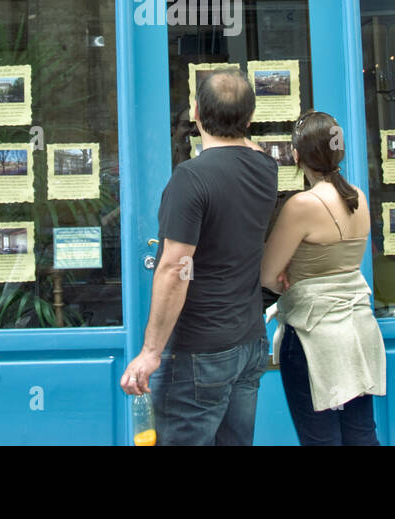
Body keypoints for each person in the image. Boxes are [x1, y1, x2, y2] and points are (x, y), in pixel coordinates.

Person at [119, 70, 277, 445]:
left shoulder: (192, 178)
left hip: (200, 353)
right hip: (249, 343)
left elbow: (175, 268)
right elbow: (245, 144)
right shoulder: (266, 167)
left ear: (195, 113)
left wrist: (150, 352)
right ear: (251, 119)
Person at [261, 110, 386, 445]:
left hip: (312, 335)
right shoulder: (357, 196)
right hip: (358, 330)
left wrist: (285, 276)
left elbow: (268, 275)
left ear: (297, 155)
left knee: (320, 439)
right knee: (361, 434)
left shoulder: (302, 205)